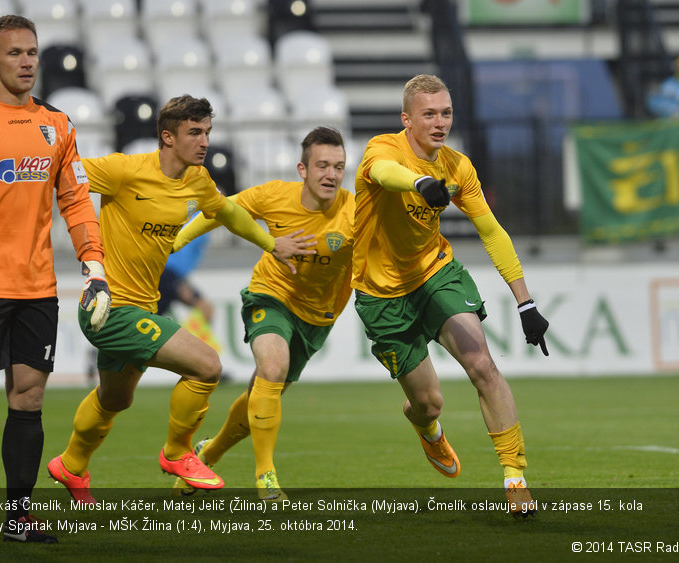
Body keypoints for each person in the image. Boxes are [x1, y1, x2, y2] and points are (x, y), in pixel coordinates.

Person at [46, 94, 317, 505]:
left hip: (143, 306)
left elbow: (228, 213)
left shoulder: (198, 181)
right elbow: (59, 174)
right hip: (107, 307)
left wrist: (270, 242)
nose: (204, 141)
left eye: (207, 132)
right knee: (207, 366)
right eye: (195, 132)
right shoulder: (123, 170)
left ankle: (71, 464)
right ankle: (177, 452)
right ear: (167, 137)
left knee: (115, 398)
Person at [0, 15, 111, 546]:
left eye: (32, 53)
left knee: (28, 400)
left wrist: (94, 266)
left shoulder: (59, 124)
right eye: (14, 54)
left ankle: (19, 516)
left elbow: (76, 199)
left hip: (37, 287)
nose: (27, 62)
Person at [352, 74, 549, 517]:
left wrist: (526, 302)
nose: (440, 122)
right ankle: (427, 427)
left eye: (446, 113)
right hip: (381, 293)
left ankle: (515, 480)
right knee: (428, 402)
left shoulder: (458, 167)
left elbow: (492, 232)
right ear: (408, 119)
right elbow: (386, 174)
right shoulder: (381, 149)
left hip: (435, 275)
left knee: (483, 364)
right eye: (429, 114)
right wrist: (419, 185)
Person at [170, 126, 353, 501]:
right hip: (270, 296)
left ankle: (211, 451)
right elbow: (222, 211)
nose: (331, 175)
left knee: (262, 391)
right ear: (302, 169)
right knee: (272, 368)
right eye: (322, 165)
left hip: (317, 317)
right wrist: (178, 240)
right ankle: (266, 478)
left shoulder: (356, 211)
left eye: (338, 166)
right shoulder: (274, 195)